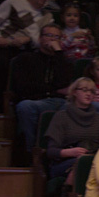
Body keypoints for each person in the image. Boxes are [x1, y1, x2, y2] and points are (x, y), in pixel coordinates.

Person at [44, 76, 99, 197]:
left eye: (91, 91)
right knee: (79, 166)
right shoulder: (61, 117)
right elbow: (50, 151)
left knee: (88, 165)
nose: (88, 94)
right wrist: (70, 152)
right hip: (64, 162)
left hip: (93, 161)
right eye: (84, 90)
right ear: (74, 92)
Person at [0, 0, 52, 112]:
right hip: (5, 47)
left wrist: (28, 39)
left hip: (30, 52)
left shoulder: (47, 17)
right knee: (1, 65)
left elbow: (42, 42)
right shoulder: (15, 3)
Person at [9, 23, 73, 152]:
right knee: (24, 106)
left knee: (76, 107)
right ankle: (33, 151)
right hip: (36, 101)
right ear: (40, 38)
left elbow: (66, 83)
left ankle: (64, 150)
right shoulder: (25, 58)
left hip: (60, 102)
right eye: (49, 35)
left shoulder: (63, 61)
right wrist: (53, 90)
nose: (52, 39)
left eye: (56, 37)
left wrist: (59, 53)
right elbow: (24, 87)